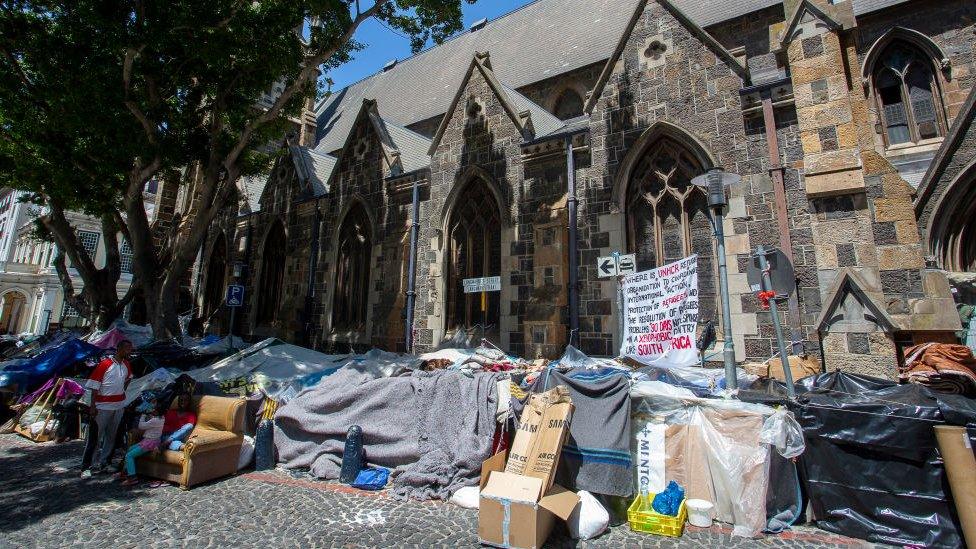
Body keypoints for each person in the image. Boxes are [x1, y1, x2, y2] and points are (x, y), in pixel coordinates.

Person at [81, 340, 134, 478]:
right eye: (127, 349)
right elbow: (94, 386)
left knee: (111, 436)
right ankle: (87, 466)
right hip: (102, 406)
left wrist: (123, 392)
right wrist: (93, 406)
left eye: (131, 349)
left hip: (118, 406)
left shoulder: (126, 365)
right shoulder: (105, 364)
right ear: (119, 349)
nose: (129, 351)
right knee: (95, 437)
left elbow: (129, 378)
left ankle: (105, 462)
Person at [119, 403, 165, 487]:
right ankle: (125, 472)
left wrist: (143, 415)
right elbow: (153, 420)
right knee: (130, 449)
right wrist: (150, 415)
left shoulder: (155, 420)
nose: (152, 410)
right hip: (152, 441)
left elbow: (141, 426)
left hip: (149, 443)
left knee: (129, 455)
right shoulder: (161, 418)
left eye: (154, 409)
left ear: (157, 411)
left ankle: (132, 478)